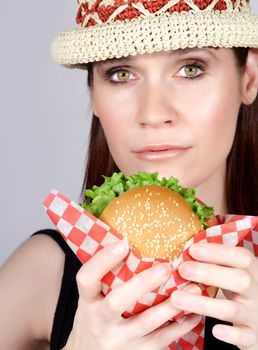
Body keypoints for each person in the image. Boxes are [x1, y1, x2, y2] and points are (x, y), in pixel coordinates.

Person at [1, 0, 258, 349]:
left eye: (191, 69)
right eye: (122, 74)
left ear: (249, 78)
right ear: (93, 92)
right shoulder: (43, 273)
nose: (153, 113)